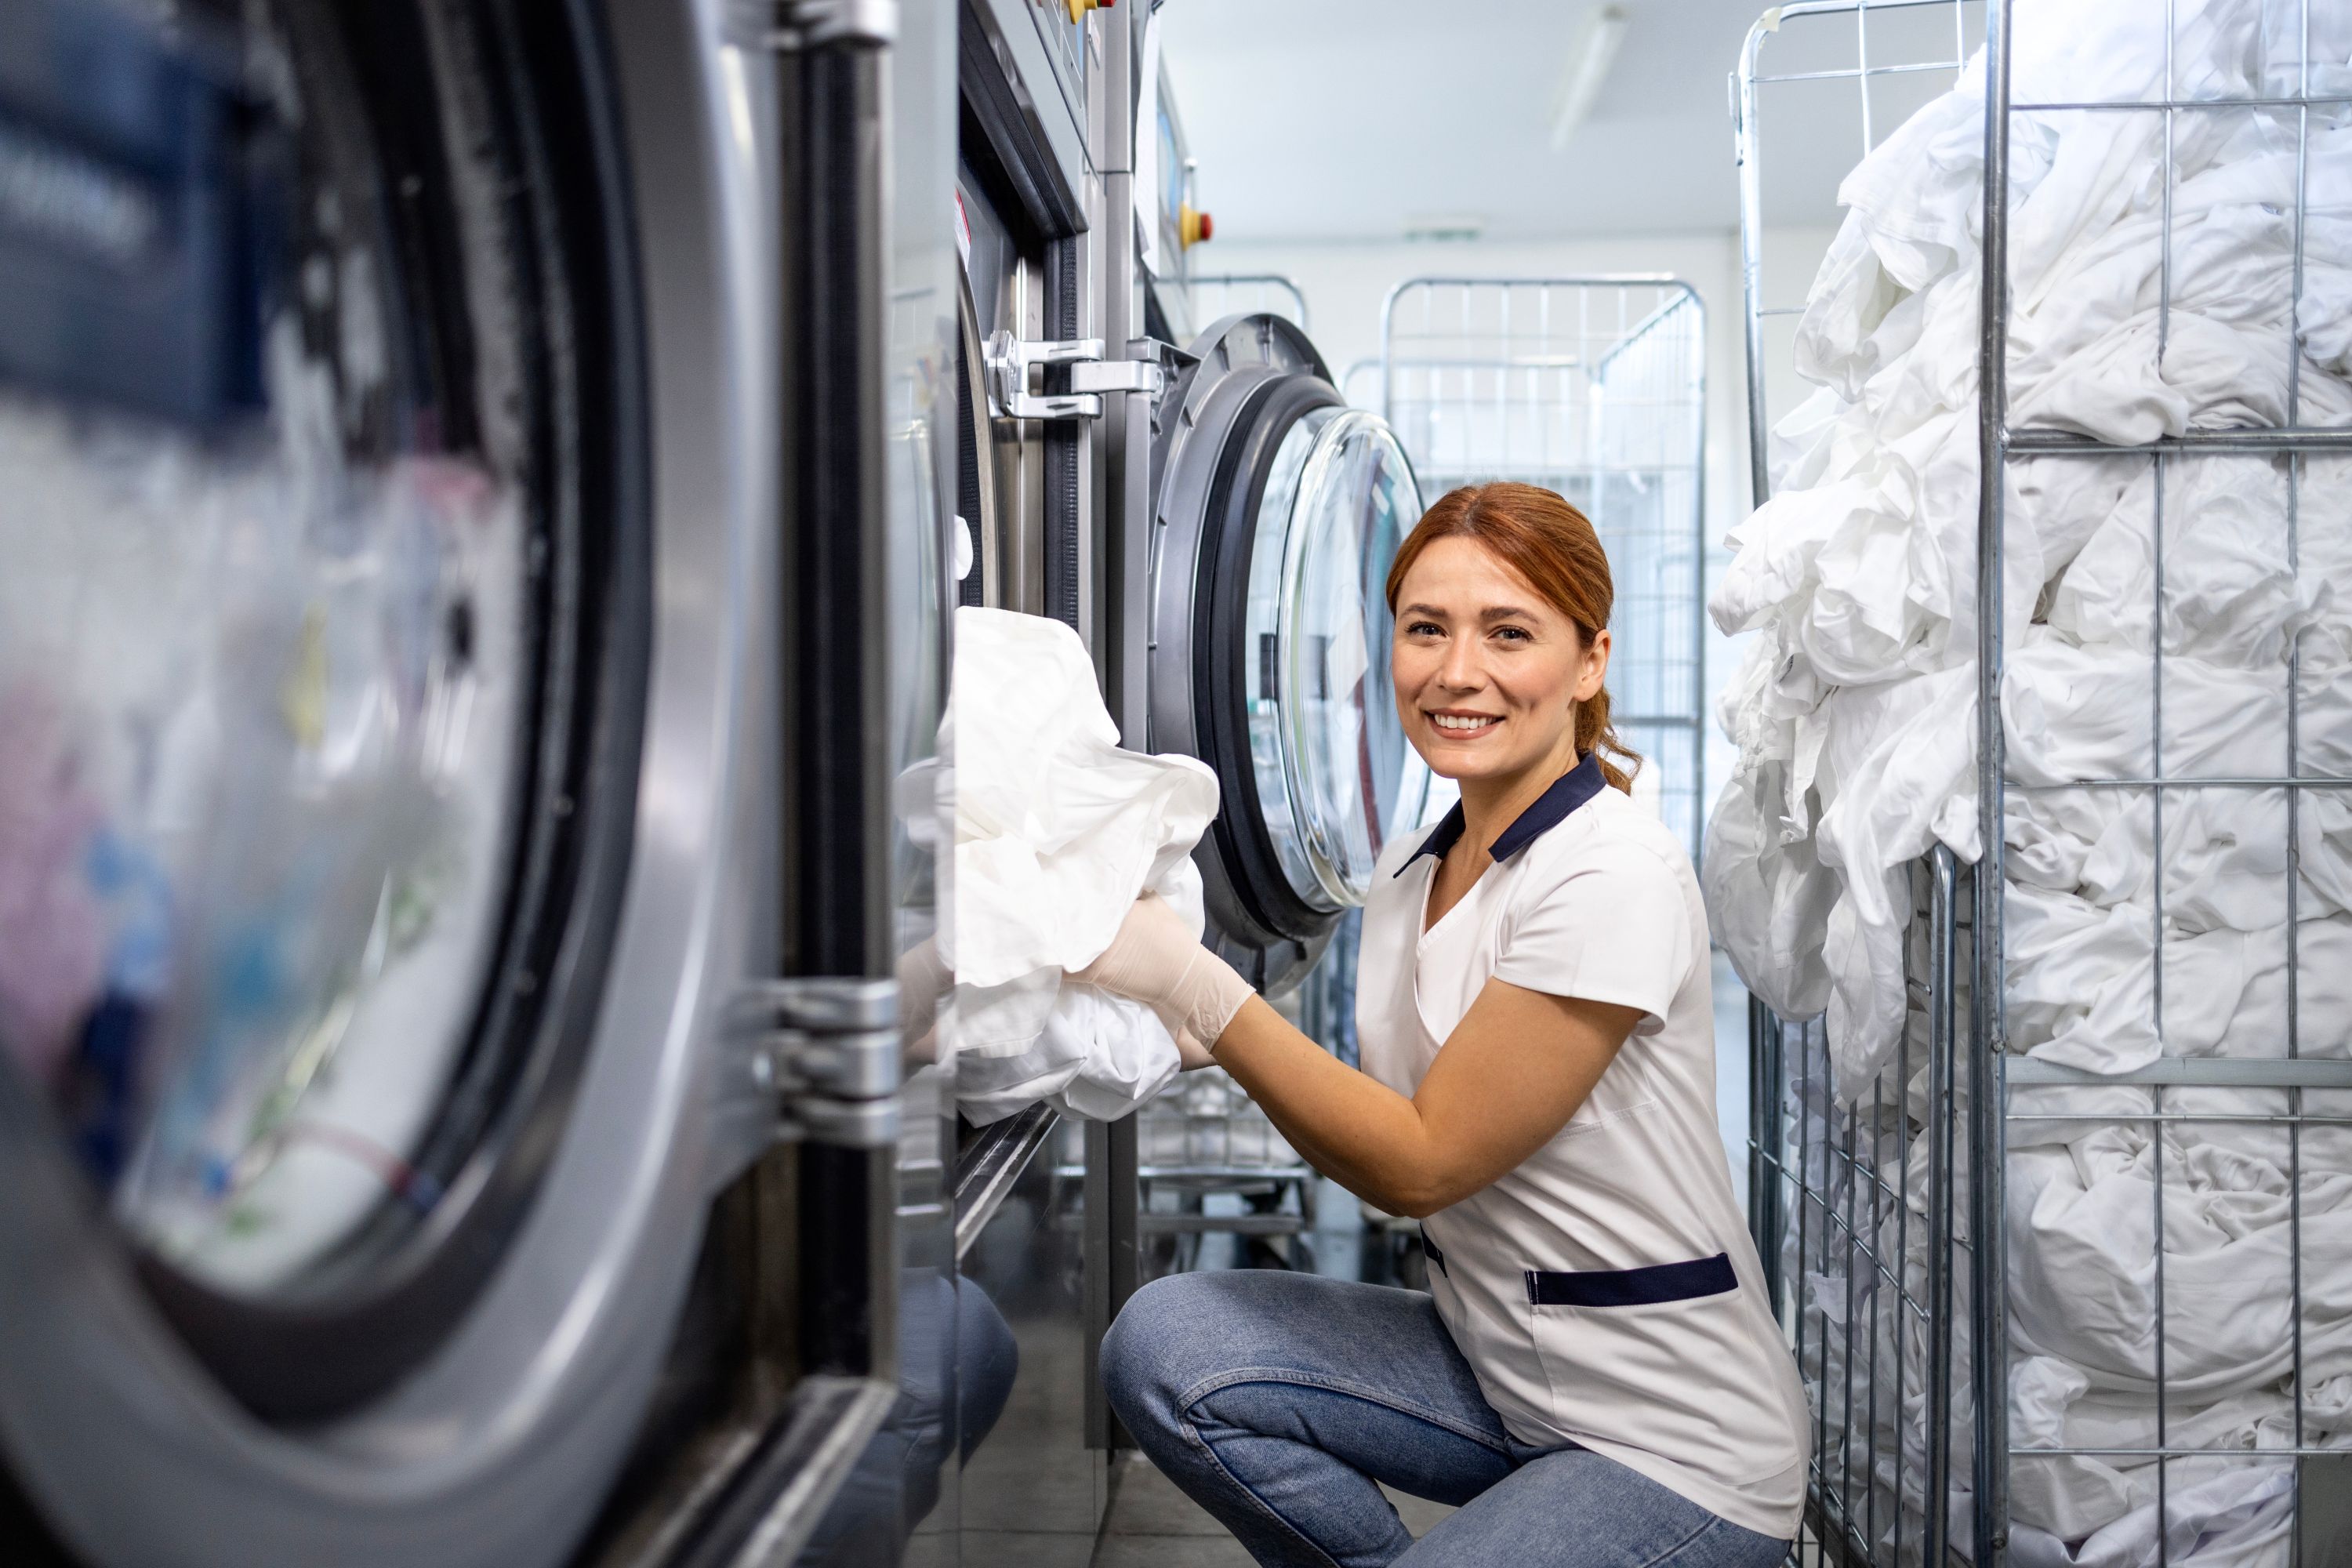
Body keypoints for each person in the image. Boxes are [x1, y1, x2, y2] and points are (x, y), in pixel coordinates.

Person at [1084, 482, 1806, 1567]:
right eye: (1426, 630)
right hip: (1495, 1367)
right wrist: (1203, 1030)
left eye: (1508, 633)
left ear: (1590, 662)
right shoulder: (1413, 869)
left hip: (1671, 1439)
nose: (1456, 672)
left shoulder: (1611, 873)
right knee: (1165, 1343)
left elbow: (1421, 1160)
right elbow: (1398, 1088)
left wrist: (1205, 996)